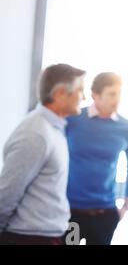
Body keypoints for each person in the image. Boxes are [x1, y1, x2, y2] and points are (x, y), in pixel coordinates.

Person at [0, 64, 86, 245]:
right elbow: (8, 192)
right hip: (28, 238)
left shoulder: (53, 128)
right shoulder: (35, 133)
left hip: (46, 235)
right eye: (80, 90)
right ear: (61, 93)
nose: (83, 97)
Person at [65, 72, 128, 245]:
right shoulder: (73, 119)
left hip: (105, 215)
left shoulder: (127, 128)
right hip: (71, 214)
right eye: (112, 94)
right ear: (95, 95)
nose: (117, 99)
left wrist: (125, 205)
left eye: (119, 93)